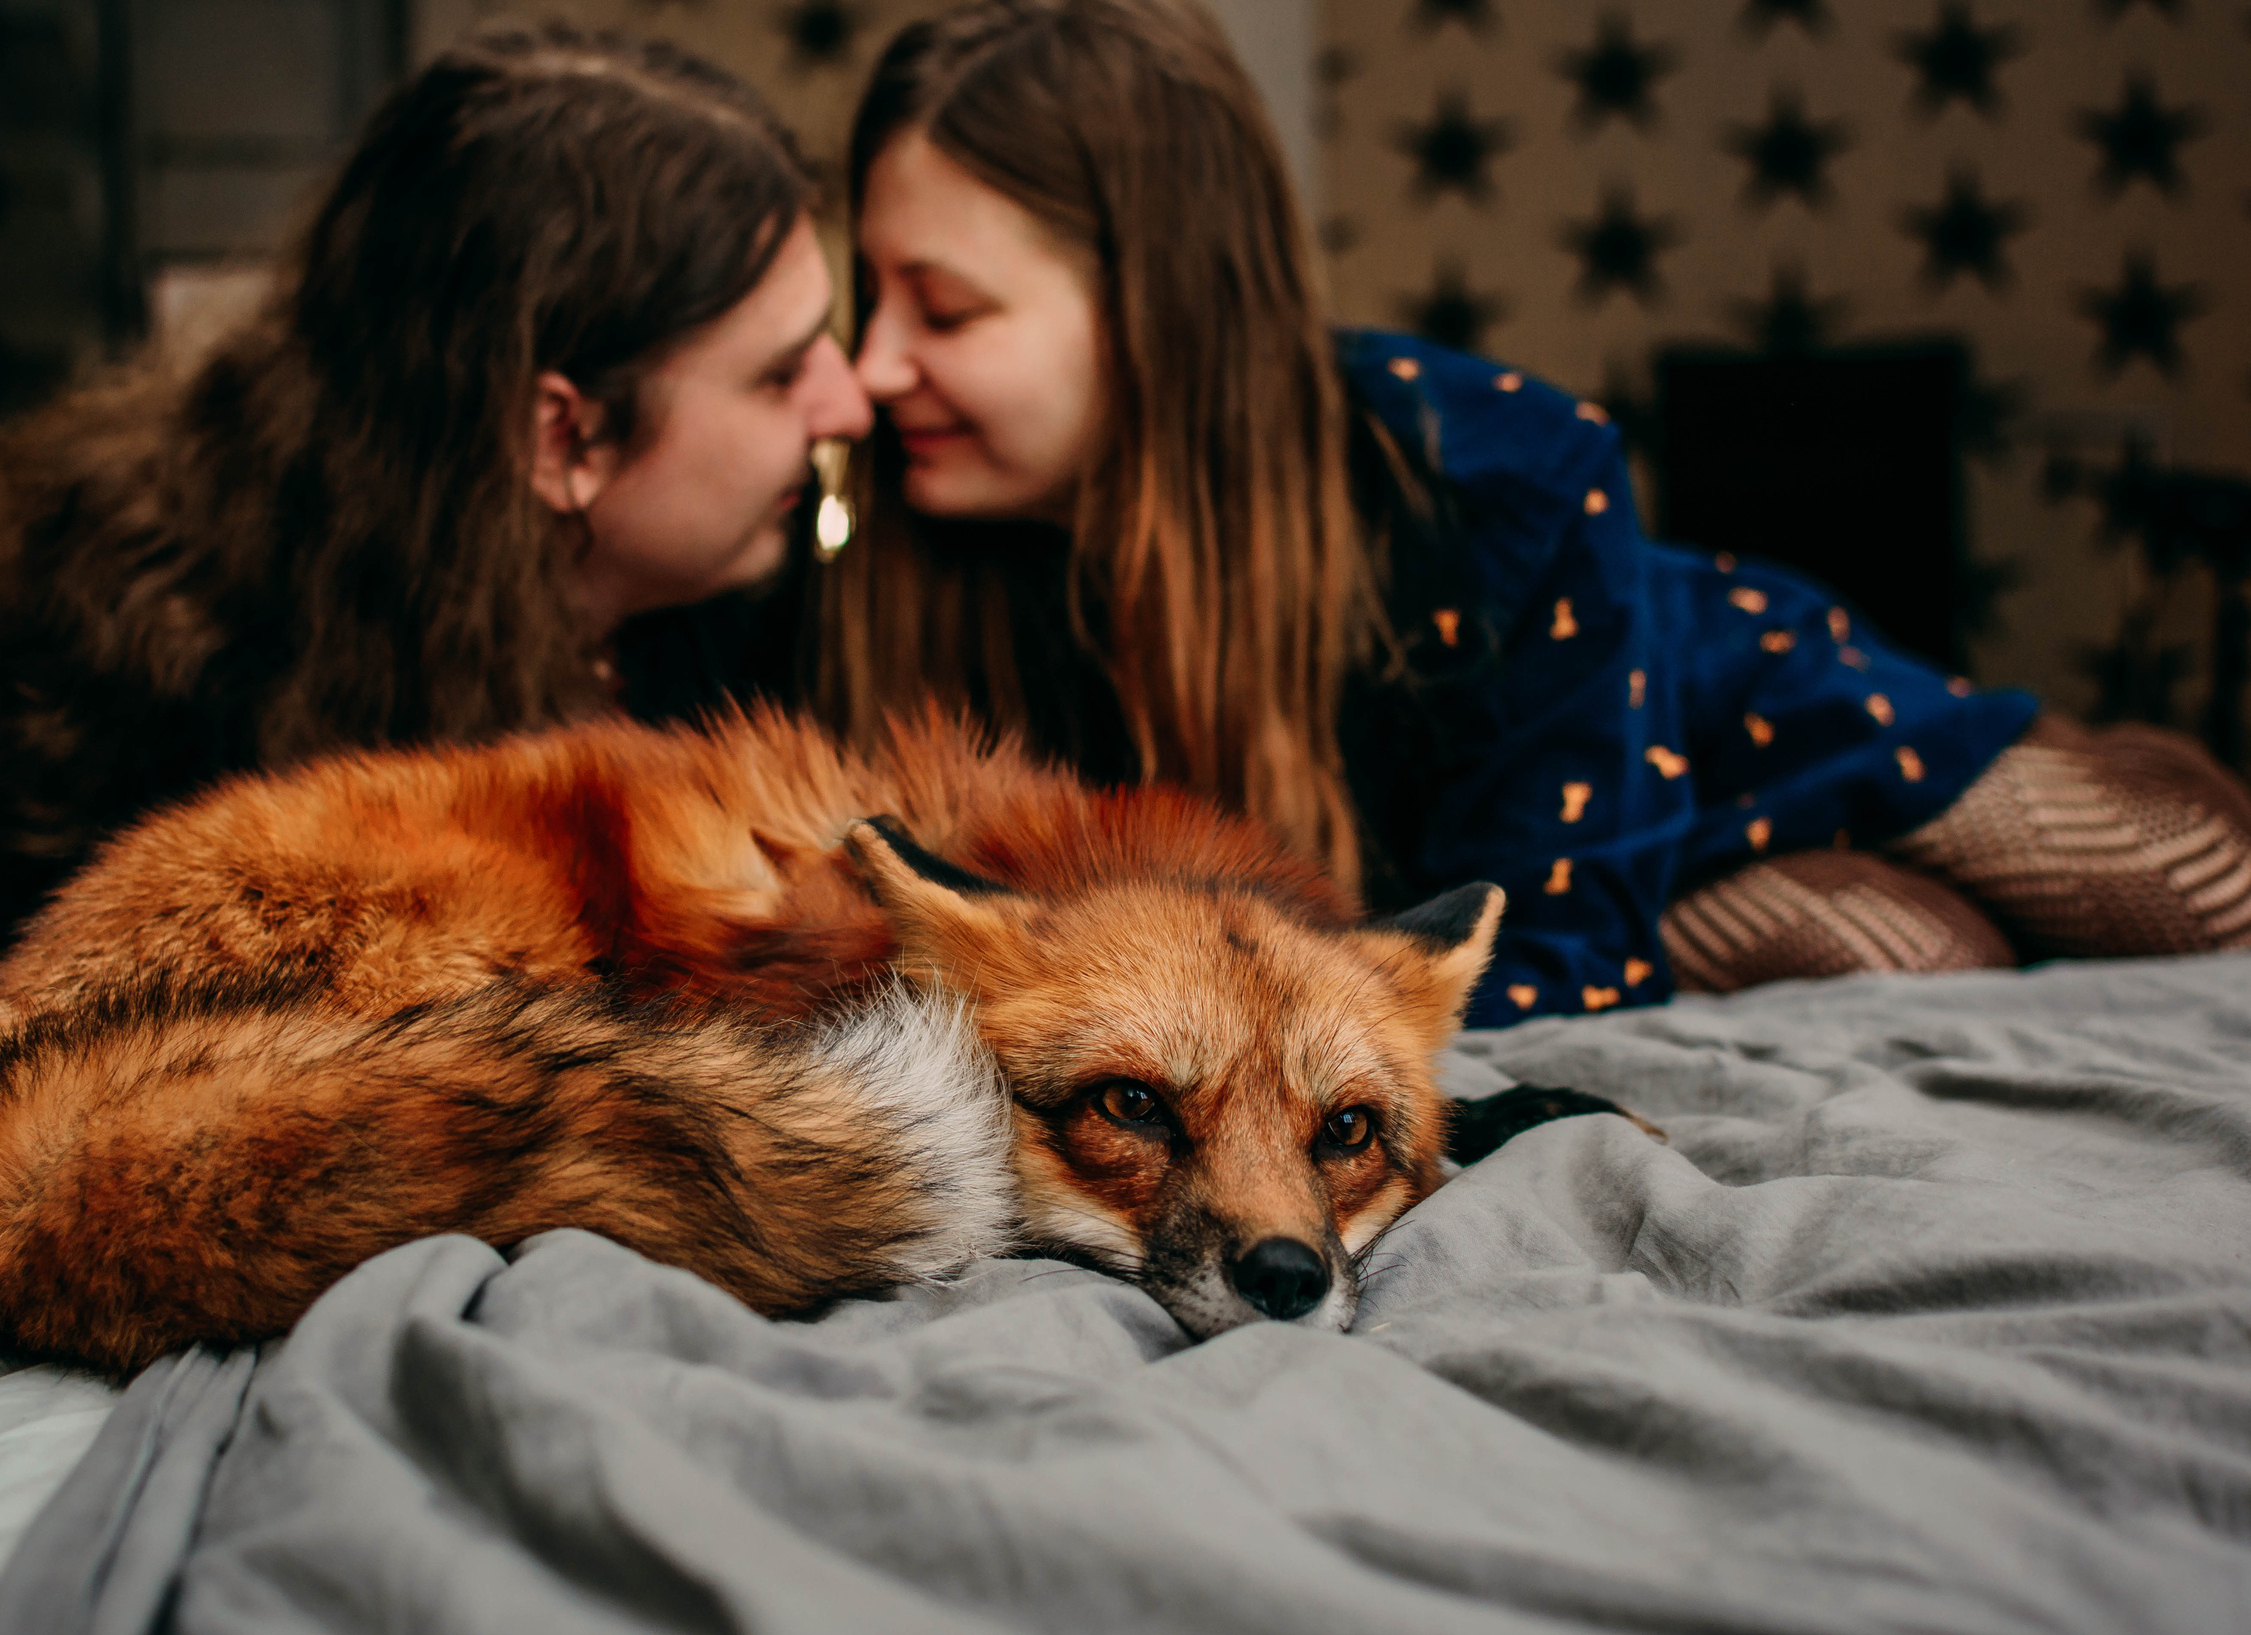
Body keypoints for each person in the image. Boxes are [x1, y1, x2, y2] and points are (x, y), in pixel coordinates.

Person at [812, 0, 2251, 1026]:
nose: (870, 369)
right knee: (1914, 953)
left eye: (945, 308)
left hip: (1727, 718)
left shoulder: (1489, 469)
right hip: (1567, 886)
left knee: (2198, 889)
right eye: (872, 297)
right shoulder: (900, 563)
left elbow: (1560, 952)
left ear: (1159, 308)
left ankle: (2120, 758)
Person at [0, 23, 870, 963]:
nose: (851, 402)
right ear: (563, 438)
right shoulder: (165, 695)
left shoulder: (742, 624)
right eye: (780, 374)